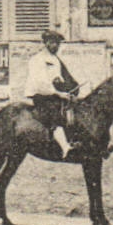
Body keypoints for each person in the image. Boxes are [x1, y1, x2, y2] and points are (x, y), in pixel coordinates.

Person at [21, 28, 81, 159]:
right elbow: (40, 83)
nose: (56, 46)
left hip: (56, 94)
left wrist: (73, 89)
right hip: (41, 96)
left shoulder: (56, 60)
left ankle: (75, 140)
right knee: (55, 113)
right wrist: (59, 93)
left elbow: (65, 78)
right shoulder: (37, 59)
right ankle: (65, 147)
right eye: (53, 43)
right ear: (46, 43)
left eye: (58, 43)